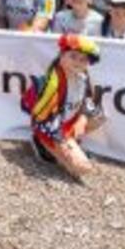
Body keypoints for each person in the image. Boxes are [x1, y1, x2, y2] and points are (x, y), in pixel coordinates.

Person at [23, 34, 106, 179]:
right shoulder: (53, 83)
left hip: (69, 121)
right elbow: (44, 119)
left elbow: (88, 100)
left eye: (83, 59)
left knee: (99, 117)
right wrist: (61, 142)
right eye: (73, 56)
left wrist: (82, 120)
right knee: (82, 168)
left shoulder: (83, 76)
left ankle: (69, 145)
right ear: (62, 56)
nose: (78, 62)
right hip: (51, 128)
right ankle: (42, 144)